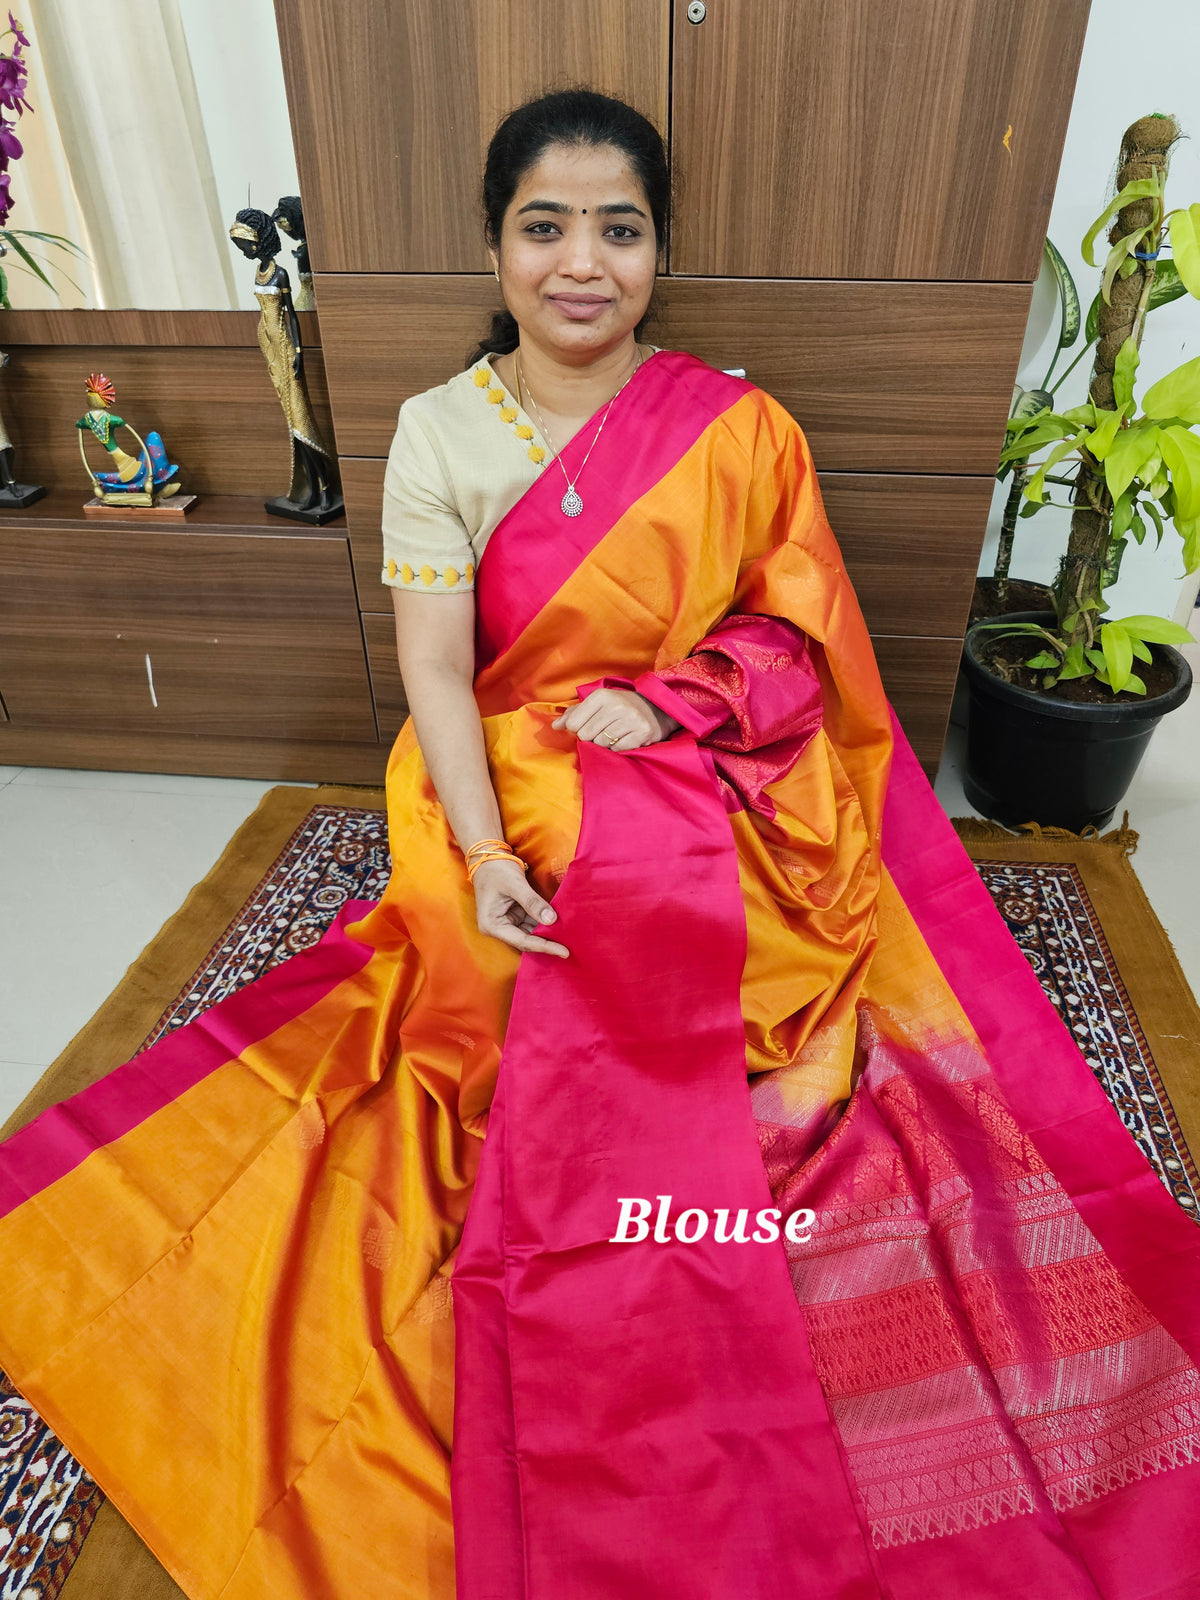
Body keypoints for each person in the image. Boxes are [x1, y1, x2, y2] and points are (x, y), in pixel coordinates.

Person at [1, 88, 1199, 1600]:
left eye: (618, 229)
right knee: (528, 933)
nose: (584, 261)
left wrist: (684, 699)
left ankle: (719, 1055)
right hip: (515, 764)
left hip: (712, 762)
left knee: (757, 947)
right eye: (545, 225)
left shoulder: (740, 426)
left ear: (658, 252)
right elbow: (439, 670)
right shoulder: (442, 429)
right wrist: (486, 848)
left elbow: (797, 632)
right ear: (496, 247)